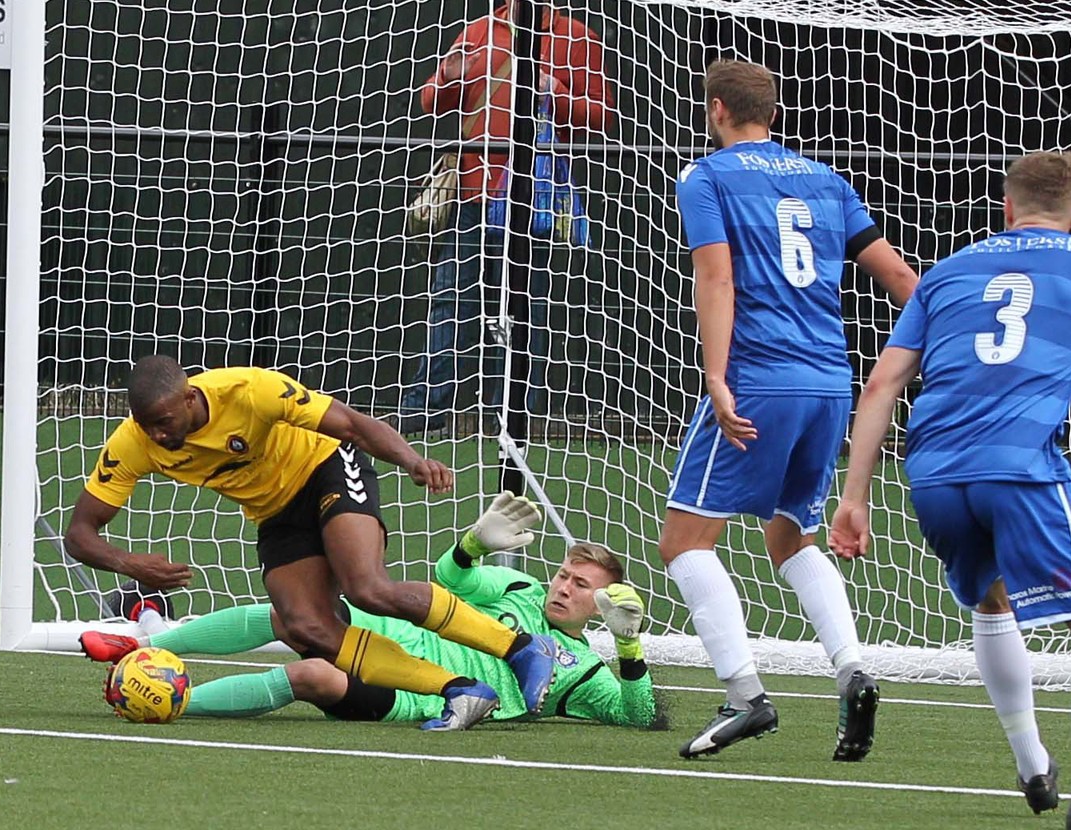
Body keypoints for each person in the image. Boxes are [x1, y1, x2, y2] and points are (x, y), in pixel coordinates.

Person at [831, 152, 1071, 830]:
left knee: (992, 602)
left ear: (1006, 209)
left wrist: (853, 496)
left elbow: (881, 384)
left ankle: (1030, 764)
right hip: (1018, 467)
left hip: (931, 473)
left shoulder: (948, 273)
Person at [63, 357, 562, 730]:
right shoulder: (133, 443)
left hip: (326, 470)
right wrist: (131, 565)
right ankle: (460, 690)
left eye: (165, 422)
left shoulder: (250, 390)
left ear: (191, 399)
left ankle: (521, 648)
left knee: (366, 588)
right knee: (309, 628)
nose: (157, 434)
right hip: (276, 513)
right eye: (147, 425)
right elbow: (80, 534)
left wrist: (411, 461)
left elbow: (350, 424)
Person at [662, 59, 918, 761]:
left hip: (760, 382)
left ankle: (745, 696)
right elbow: (899, 277)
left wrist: (717, 376)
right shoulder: (828, 180)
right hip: (829, 386)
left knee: (685, 543)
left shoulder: (706, 177)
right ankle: (852, 668)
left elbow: (716, 274)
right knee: (790, 536)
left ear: (716, 110)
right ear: (771, 115)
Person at [81, 493, 659, 728]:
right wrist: (474, 544)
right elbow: (450, 581)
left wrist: (629, 647)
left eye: (581, 586)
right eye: (564, 574)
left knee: (311, 677)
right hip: (383, 634)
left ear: (603, 606)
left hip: (421, 695)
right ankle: (145, 642)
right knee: (293, 617)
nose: (562, 587)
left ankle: (171, 702)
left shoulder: (583, 671)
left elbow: (639, 714)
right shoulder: (518, 589)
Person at [402, 1, 613, 434]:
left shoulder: (576, 36)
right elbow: (431, 100)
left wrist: (555, 91)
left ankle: (514, 415)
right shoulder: (479, 30)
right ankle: (420, 414)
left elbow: (602, 116)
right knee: (452, 304)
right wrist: (447, 77)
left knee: (527, 310)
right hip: (474, 195)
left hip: (533, 200)